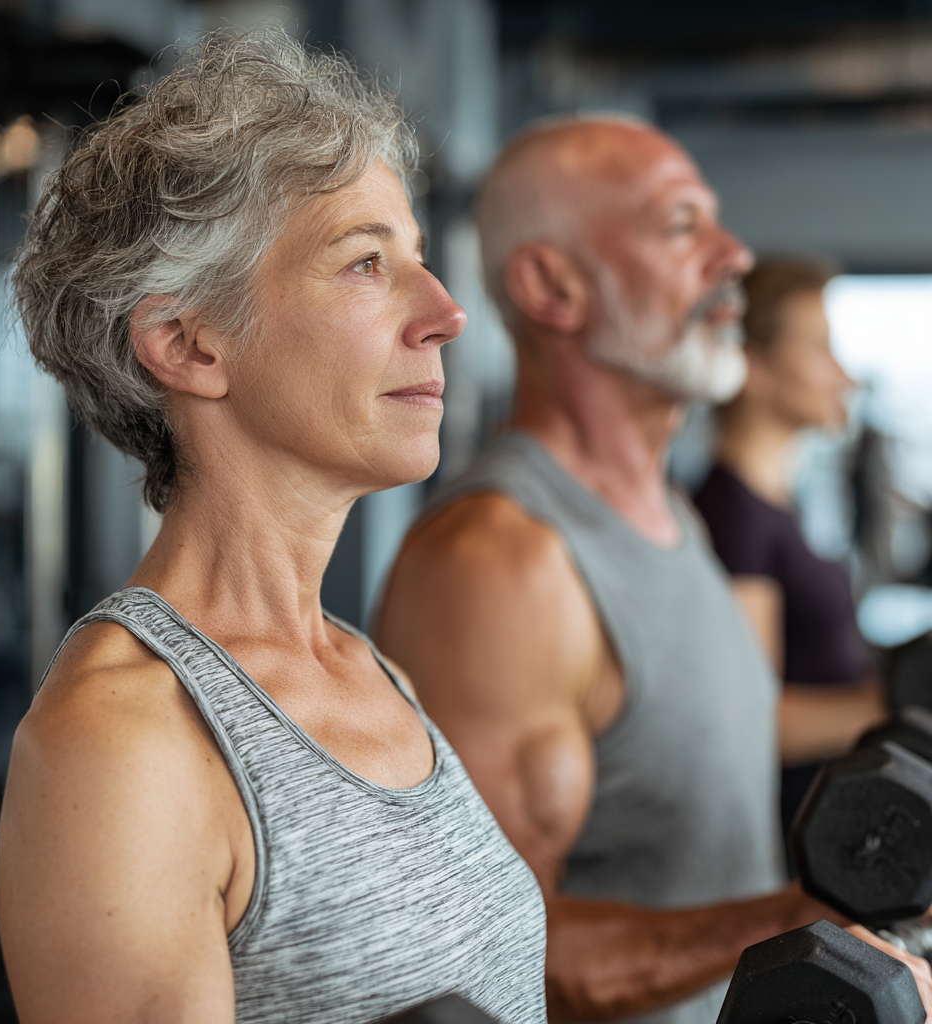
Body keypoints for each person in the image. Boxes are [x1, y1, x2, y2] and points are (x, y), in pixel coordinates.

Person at [0, 28, 547, 1024]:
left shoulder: (375, 674)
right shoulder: (125, 744)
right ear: (187, 343)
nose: (444, 312)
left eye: (415, 258)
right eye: (364, 265)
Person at [374, 118, 932, 1024]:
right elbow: (491, 948)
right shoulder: (498, 561)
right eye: (680, 226)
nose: (734, 254)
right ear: (551, 285)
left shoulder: (674, 515)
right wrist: (816, 914)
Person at [694, 258, 887, 843]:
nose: (843, 375)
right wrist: (892, 707)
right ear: (752, 365)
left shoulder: (776, 504)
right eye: (819, 348)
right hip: (789, 842)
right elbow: (757, 722)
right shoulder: (733, 519)